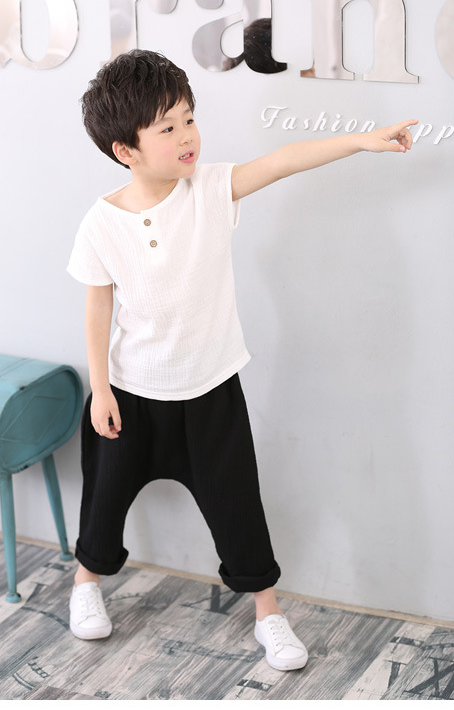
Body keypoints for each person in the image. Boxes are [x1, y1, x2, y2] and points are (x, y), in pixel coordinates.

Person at [65, 49, 415, 672]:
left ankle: (268, 614)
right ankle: (85, 583)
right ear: (126, 151)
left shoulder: (209, 189)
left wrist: (360, 141)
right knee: (104, 500)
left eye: (189, 118)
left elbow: (282, 161)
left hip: (210, 393)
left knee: (238, 508)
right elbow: (97, 308)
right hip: (130, 393)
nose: (187, 136)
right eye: (167, 128)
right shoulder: (101, 224)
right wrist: (102, 388)